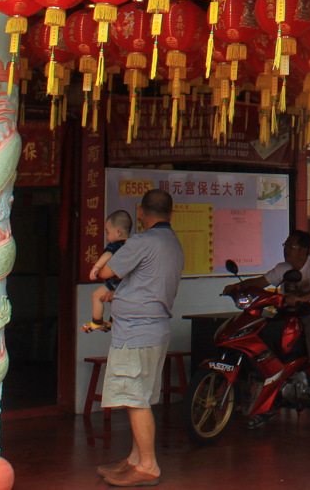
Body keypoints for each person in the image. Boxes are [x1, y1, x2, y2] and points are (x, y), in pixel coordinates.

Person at [95, 189, 185, 488]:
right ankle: (135, 459)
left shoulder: (142, 241)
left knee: (135, 399)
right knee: (142, 397)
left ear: (142, 213)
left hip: (136, 331)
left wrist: (113, 247)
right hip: (155, 329)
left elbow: (106, 270)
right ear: (170, 214)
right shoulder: (173, 242)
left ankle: (148, 465)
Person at [227, 230, 310, 426]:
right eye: (286, 245)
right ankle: (267, 407)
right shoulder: (283, 268)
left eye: (291, 247)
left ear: (304, 250)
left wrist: (301, 298)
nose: (286, 250)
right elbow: (262, 281)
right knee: (268, 357)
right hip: (288, 314)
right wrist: (237, 287)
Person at [85, 210, 134, 330]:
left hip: (114, 282)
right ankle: (112, 322)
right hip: (127, 284)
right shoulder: (132, 245)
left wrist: (96, 267)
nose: (107, 236)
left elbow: (108, 254)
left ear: (118, 232)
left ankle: (96, 321)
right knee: (115, 301)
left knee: (96, 295)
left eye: (107, 232)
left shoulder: (115, 245)